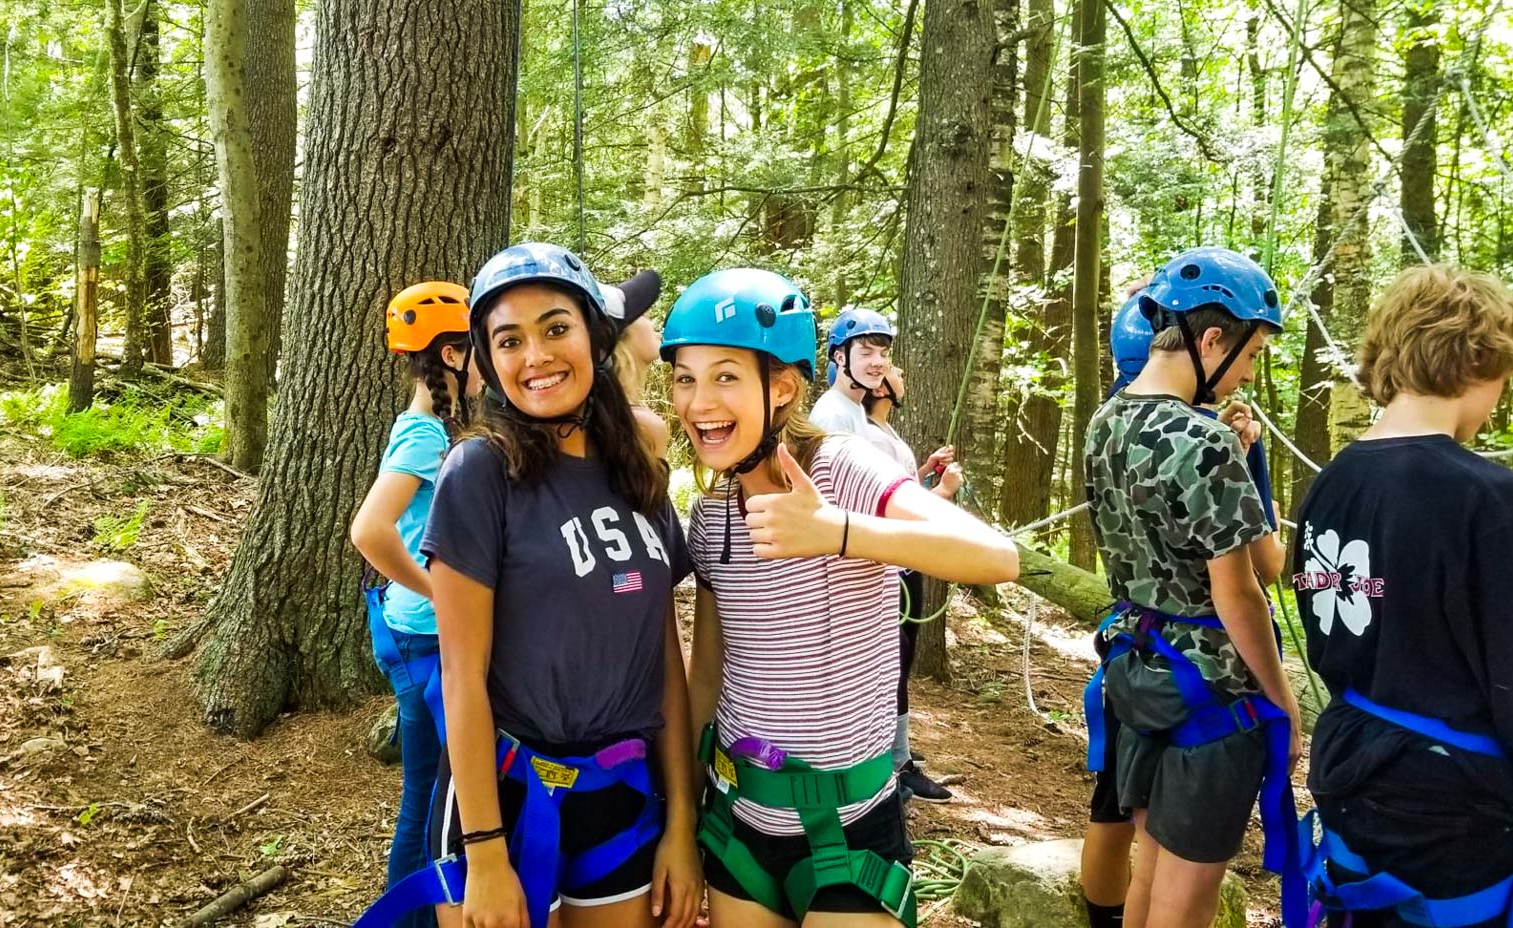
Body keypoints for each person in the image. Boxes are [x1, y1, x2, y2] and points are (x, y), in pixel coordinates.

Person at [661, 268, 1019, 928]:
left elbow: (997, 558)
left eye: (726, 375)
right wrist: (679, 820)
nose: (698, 401)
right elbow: (708, 671)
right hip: (739, 825)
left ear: (783, 388)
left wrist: (837, 532)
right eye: (686, 376)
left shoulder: (843, 467)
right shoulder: (711, 515)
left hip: (852, 828)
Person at [358, 243, 701, 928]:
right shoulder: (479, 473)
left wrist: (682, 829)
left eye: (555, 327)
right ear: (486, 360)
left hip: (622, 795)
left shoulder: (638, 472)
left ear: (593, 337)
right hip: (505, 799)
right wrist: (484, 855)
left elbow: (663, 662)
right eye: (508, 340)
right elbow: (462, 674)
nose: (536, 356)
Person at [1292, 264, 1513, 927]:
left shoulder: (1336, 480)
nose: (1497, 403)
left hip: (1351, 767)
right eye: (1503, 380)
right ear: (1478, 361)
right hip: (1448, 807)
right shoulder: (1485, 498)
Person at [1081, 247, 1302, 928]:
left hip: (1140, 673)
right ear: (1211, 340)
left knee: (1153, 865)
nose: (1246, 372)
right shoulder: (1204, 440)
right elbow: (1241, 593)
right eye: (1251, 353)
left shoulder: (1104, 422)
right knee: (1187, 896)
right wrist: (1283, 698)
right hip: (1212, 691)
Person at [351, 281, 484, 928]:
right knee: (430, 794)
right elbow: (369, 530)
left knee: (431, 786)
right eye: (483, 346)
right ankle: (408, 917)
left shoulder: (441, 428)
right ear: (455, 356)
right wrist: (444, 596)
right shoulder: (425, 435)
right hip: (424, 635)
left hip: (421, 630)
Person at [859, 357, 963, 804]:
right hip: (893, 564)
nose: (900, 374)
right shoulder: (866, 434)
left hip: (901, 561)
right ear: (881, 387)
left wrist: (923, 471)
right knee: (895, 664)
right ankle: (897, 765)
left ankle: (896, 750)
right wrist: (941, 494)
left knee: (901, 661)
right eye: (896, 372)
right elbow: (879, 506)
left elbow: (895, 491)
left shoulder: (884, 433)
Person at [607, 270, 670, 460]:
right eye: (646, 317)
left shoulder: (599, 413)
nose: (656, 327)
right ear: (622, 336)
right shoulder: (644, 426)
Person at [808, 307, 893, 440]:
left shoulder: (852, 407)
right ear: (840, 358)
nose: (878, 362)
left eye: (884, 354)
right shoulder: (834, 416)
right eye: (866, 353)